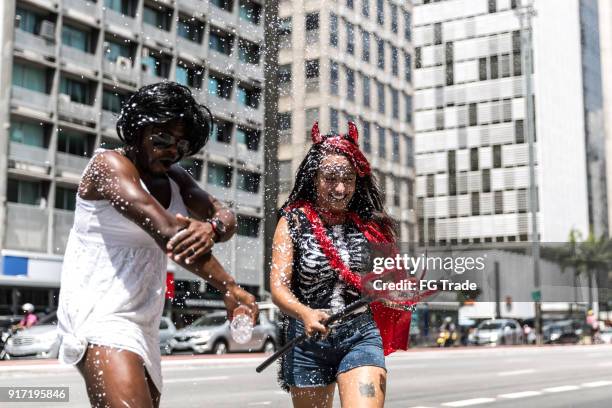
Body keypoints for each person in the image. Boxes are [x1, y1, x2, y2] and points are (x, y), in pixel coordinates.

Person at [57, 82, 258, 408]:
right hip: (99, 316)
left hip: (144, 322)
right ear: (137, 130)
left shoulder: (176, 177)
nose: (171, 151)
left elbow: (226, 216)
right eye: (162, 139)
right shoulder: (108, 166)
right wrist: (229, 287)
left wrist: (214, 227)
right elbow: (169, 234)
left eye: (180, 145)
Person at [270, 122, 412, 408]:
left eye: (348, 178)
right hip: (307, 343)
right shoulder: (293, 222)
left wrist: (396, 294)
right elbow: (278, 288)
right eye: (330, 178)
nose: (340, 187)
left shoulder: (371, 226)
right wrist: (306, 313)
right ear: (314, 178)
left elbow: (392, 280)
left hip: (360, 335)